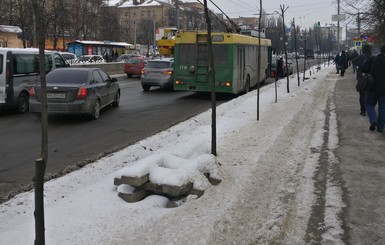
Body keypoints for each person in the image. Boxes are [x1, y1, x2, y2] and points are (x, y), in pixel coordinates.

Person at [360, 44, 385, 132]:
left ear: (381, 51)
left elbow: (363, 69)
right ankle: (381, 127)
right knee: (383, 108)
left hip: (372, 87)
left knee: (369, 104)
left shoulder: (373, 59)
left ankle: (373, 120)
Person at [352, 44, 372, 116]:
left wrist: (359, 64)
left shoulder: (361, 56)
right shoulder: (373, 57)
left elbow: (353, 61)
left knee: (362, 95)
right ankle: (370, 109)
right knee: (370, 94)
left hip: (362, 78)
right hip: (371, 79)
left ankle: (363, 111)